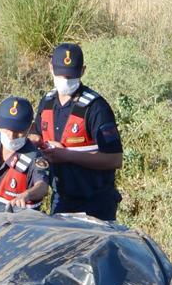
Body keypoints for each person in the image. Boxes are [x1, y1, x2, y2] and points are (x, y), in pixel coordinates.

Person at [34, 42, 123, 220]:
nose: (66, 80)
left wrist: (67, 155)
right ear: (50, 68)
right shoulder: (47, 102)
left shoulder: (96, 108)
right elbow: (37, 133)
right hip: (61, 199)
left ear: (82, 71)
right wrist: (40, 143)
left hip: (95, 203)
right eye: (61, 75)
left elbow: (115, 159)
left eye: (71, 75)